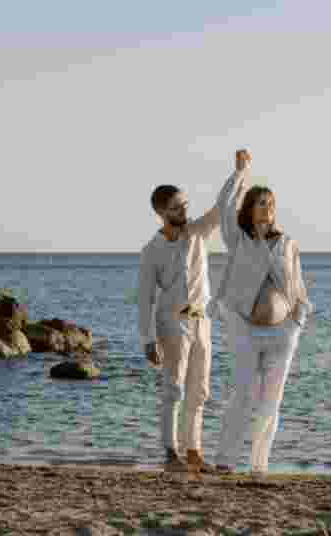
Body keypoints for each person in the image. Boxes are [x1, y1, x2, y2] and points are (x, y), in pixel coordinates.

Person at [138, 151, 249, 473]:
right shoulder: (151, 251)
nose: (183, 211)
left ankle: (193, 452)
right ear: (161, 212)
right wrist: (148, 339)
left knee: (200, 391)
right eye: (176, 208)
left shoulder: (198, 231)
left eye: (185, 205)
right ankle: (170, 454)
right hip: (172, 323)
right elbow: (144, 298)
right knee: (173, 388)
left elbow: (222, 206)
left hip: (202, 320)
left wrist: (239, 172)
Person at [209, 149, 314, 475]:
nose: (267, 208)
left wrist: (298, 320)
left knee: (271, 401)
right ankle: (225, 460)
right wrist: (240, 172)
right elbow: (224, 204)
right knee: (242, 394)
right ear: (249, 209)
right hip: (245, 329)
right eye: (260, 203)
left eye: (271, 203)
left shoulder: (288, 243)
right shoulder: (238, 239)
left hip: (283, 333)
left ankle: (259, 464)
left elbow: (298, 287)